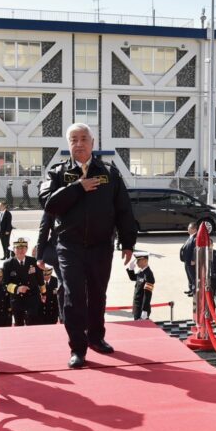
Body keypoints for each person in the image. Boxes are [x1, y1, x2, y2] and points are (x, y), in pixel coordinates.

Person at [39, 122, 137, 368]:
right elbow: (49, 205)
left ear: (93, 143)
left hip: (101, 246)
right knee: (73, 296)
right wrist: (77, 187)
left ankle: (96, 337)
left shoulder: (109, 173)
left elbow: (124, 210)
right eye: (74, 139)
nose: (79, 144)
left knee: (97, 294)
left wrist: (128, 242)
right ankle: (77, 348)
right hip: (69, 246)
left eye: (84, 139)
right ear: (68, 144)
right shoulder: (58, 173)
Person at [3, 237, 43, 326]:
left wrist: (43, 293)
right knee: (19, 323)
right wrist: (18, 288)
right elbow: (5, 284)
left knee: (32, 321)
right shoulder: (8, 264)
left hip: (32, 296)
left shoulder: (33, 261)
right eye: (18, 248)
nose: (21, 250)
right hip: (17, 298)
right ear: (13, 249)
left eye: (23, 248)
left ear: (27, 249)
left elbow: (40, 279)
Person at [126, 251, 155, 319]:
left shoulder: (148, 275)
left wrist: (144, 310)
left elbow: (147, 294)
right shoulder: (141, 271)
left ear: (145, 261)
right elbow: (134, 278)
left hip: (142, 309)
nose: (136, 262)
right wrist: (131, 269)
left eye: (139, 260)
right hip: (137, 307)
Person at [179, 222, 197, 295]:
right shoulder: (191, 236)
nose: (188, 229)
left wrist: (193, 259)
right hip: (186, 260)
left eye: (189, 228)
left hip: (191, 261)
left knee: (193, 276)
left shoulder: (196, 237)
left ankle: (194, 291)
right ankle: (190, 289)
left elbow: (195, 250)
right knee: (189, 276)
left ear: (194, 229)